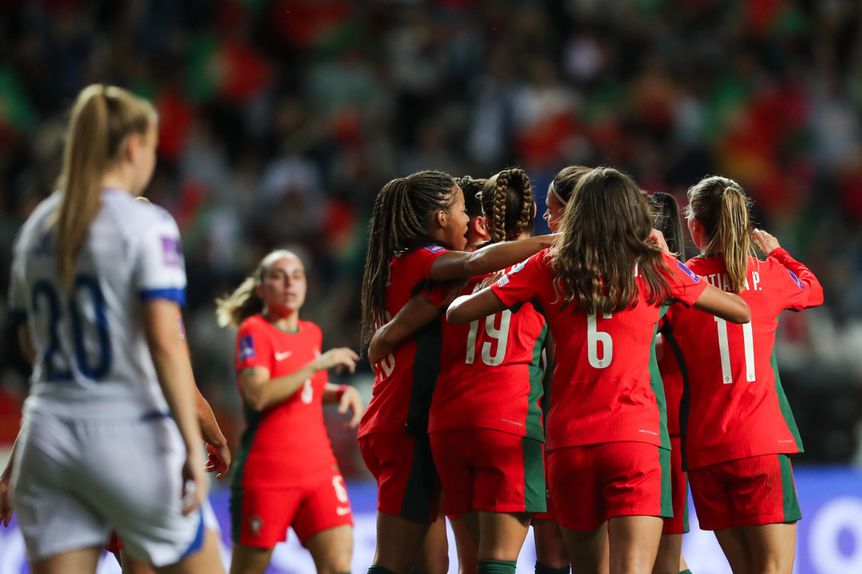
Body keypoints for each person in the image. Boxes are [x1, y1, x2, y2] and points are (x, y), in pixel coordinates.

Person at [446, 168, 751, 574]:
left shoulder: (548, 265)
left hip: (570, 444)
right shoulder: (656, 266)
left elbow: (458, 312)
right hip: (635, 439)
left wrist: (502, 279)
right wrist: (677, 270)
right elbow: (739, 311)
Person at [4, 84, 223, 573]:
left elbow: (31, 345)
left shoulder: (37, 227)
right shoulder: (146, 224)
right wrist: (193, 445)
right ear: (133, 147)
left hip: (48, 437)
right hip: (127, 435)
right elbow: (165, 344)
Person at [359, 170, 555, 574]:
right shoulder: (427, 260)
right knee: (393, 563)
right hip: (408, 424)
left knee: (433, 566)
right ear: (441, 218)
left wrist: (384, 338)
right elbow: (477, 260)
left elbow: (392, 333)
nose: (468, 220)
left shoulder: (408, 267)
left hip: (406, 420)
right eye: (463, 211)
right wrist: (560, 240)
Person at [662, 176, 824, 574]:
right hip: (762, 441)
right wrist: (779, 252)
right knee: (773, 567)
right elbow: (813, 289)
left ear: (695, 227)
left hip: (706, 449)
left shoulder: (680, 282)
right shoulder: (769, 274)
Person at [216, 248, 364, 574]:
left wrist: (339, 392)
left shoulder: (311, 332)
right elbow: (258, 395)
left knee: (339, 567)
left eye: (297, 276)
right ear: (261, 288)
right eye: (279, 277)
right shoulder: (254, 331)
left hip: (319, 469)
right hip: (269, 473)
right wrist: (316, 365)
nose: (289, 283)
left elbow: (303, 390)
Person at [646, 192, 692, 574]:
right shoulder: (687, 281)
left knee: (665, 558)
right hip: (667, 427)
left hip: (661, 429)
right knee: (665, 556)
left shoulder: (663, 289)